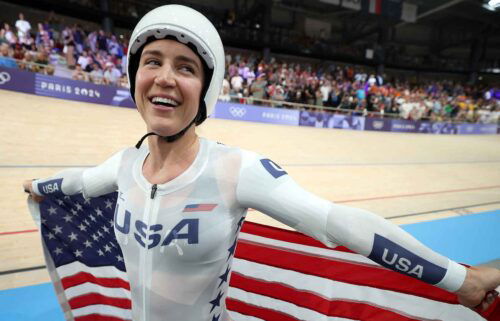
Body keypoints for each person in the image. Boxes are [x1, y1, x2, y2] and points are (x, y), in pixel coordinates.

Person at [23, 4, 500, 321]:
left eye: (185, 67)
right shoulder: (123, 165)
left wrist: (460, 280)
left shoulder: (235, 171)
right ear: (135, 75)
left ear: (205, 89)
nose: (165, 78)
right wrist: (38, 186)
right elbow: (79, 184)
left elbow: (340, 223)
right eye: (152, 61)